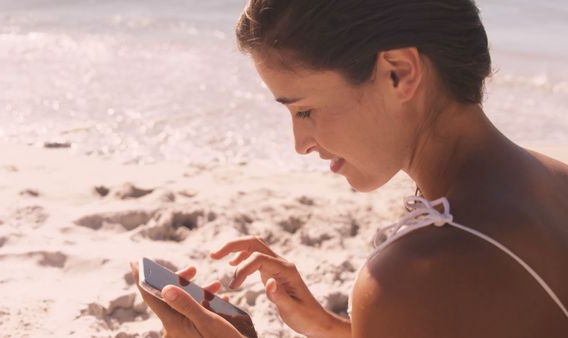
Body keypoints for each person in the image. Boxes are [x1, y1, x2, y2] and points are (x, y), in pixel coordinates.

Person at [129, 0, 568, 336]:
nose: (300, 144)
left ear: (398, 72)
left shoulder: (417, 273)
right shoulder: (554, 182)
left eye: (304, 111)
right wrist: (327, 326)